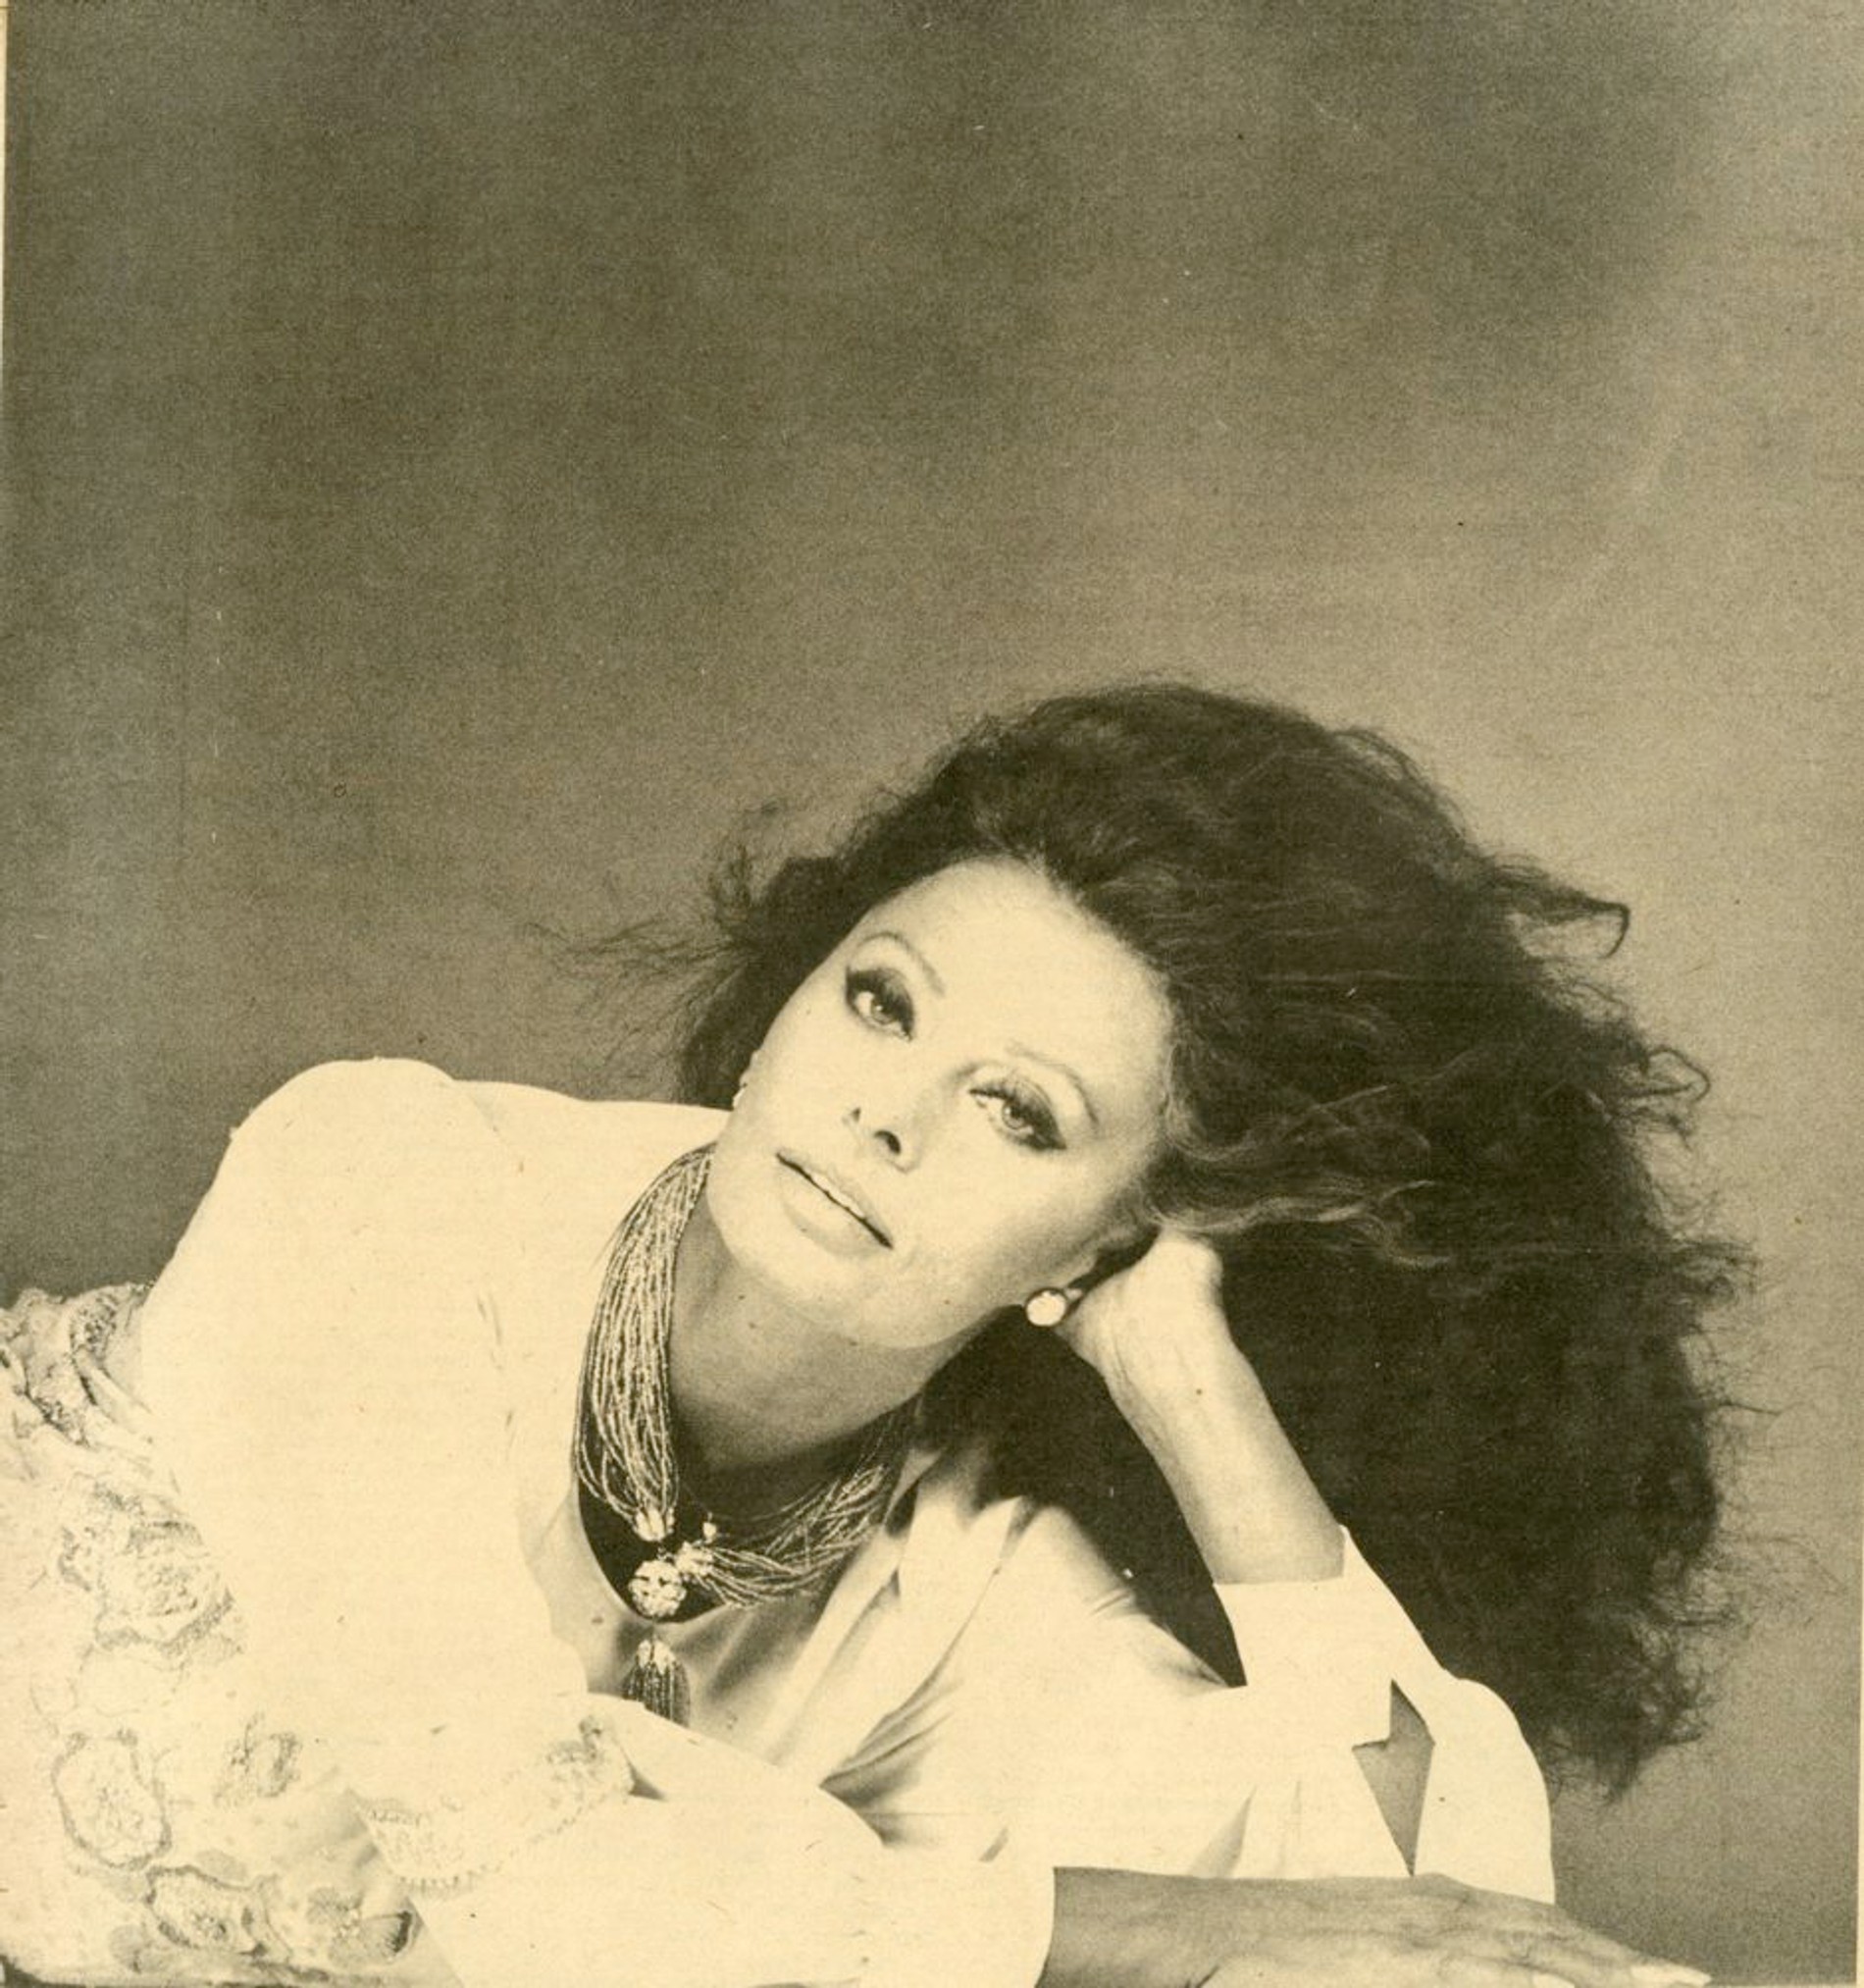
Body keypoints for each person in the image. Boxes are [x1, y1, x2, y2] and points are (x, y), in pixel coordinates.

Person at [0, 684, 1734, 1988]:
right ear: (786, 996)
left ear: (1114, 1238)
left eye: (1019, 1112)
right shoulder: (383, 1184)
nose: (888, 1112)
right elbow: (539, 1888)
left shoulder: (964, 1566)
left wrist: (1192, 1386)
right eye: (883, 999)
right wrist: (1145, 1929)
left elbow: (1433, 1924)